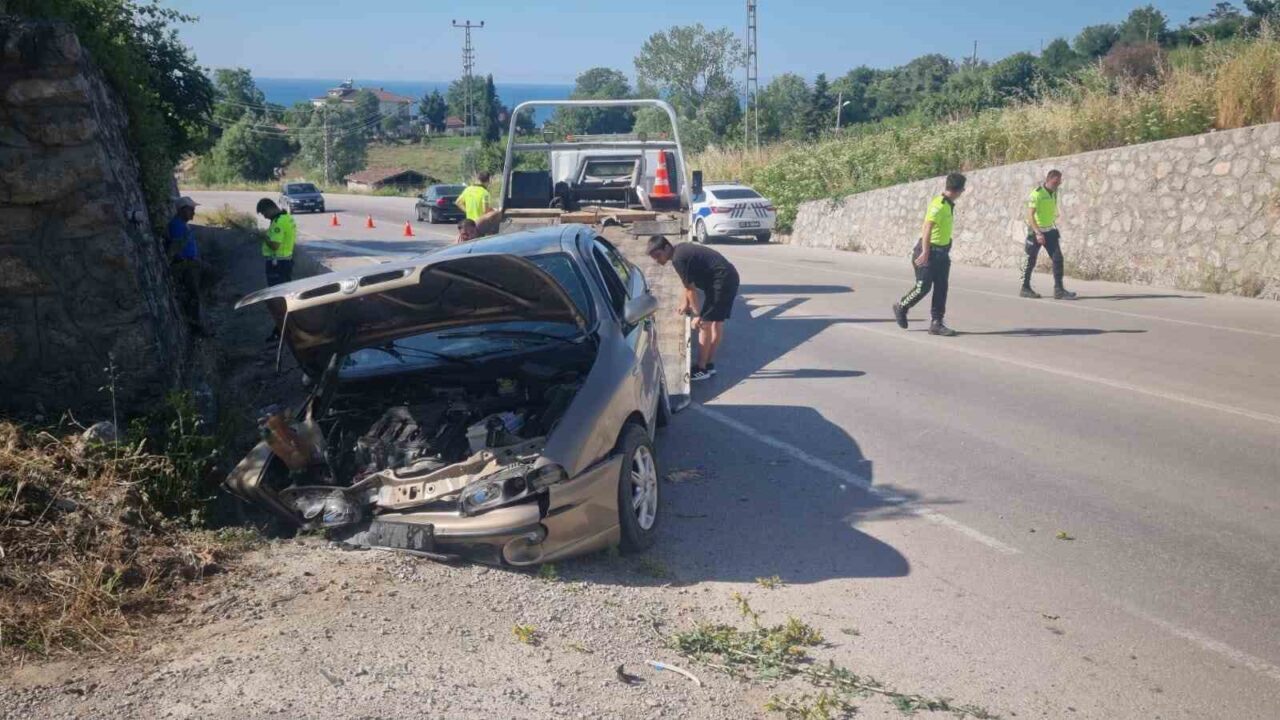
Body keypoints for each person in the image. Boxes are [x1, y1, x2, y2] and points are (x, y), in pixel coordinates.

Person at [647, 235, 740, 382]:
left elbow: (691, 290)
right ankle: (708, 364)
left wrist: (697, 315)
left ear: (666, 247)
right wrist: (685, 303)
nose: (658, 261)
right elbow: (688, 284)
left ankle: (702, 368)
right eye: (655, 258)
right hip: (727, 277)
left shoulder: (678, 259)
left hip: (721, 282)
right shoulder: (681, 250)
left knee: (705, 324)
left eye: (658, 255)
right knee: (716, 322)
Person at [892, 172, 966, 337]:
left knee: (941, 288)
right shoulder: (938, 205)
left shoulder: (948, 204)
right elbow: (927, 228)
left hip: (942, 253)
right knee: (923, 287)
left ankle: (936, 323)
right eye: (962, 190)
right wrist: (925, 252)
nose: (962, 193)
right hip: (928, 251)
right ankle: (902, 306)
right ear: (958, 190)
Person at [1020, 169, 1077, 300]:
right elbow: (1030, 215)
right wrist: (1037, 233)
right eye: (1055, 182)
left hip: (1049, 231)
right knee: (1030, 260)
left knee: (1058, 258)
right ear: (1048, 179)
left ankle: (1059, 290)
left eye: (1059, 182)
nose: (1057, 185)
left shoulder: (1054, 193)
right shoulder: (1037, 194)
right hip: (1036, 231)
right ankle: (1025, 287)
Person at [167, 196, 212, 335]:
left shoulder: (183, 224)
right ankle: (197, 327)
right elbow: (176, 248)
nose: (193, 213)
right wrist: (187, 261)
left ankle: (199, 323)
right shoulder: (177, 225)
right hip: (187, 265)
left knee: (199, 292)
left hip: (192, 263)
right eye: (191, 210)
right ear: (183, 209)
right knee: (194, 296)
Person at [256, 198, 296, 287]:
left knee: (276, 291)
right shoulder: (287, 217)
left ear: (269, 209)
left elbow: (275, 245)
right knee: (285, 288)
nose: (265, 217)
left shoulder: (278, 223)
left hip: (277, 263)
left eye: (264, 213)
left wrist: (264, 237)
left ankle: (277, 302)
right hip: (286, 260)